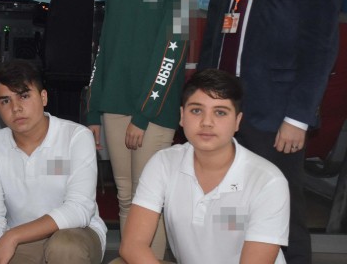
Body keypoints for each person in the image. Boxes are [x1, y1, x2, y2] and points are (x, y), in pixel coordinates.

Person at [198, 0, 342, 261]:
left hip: (276, 116)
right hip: (222, 111)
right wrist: (201, 101)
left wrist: (298, 117)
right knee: (227, 213)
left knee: (283, 217)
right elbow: (213, 39)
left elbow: (320, 46)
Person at [86, 0, 188, 258]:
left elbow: (173, 51)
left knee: (149, 202)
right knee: (127, 197)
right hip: (114, 104)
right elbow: (105, 49)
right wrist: (93, 109)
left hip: (153, 110)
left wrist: (144, 114)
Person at [116, 69, 289, 264]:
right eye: (196, 111)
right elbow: (133, 245)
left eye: (220, 112)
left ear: (237, 122)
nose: (207, 122)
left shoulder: (267, 181)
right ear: (182, 116)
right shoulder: (163, 163)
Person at [0, 59, 107, 264]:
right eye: (5, 101)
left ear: (43, 97)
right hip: (22, 241)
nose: (16, 108)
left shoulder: (76, 137)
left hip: (76, 233)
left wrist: (13, 236)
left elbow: (79, 208)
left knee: (65, 247)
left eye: (24, 96)